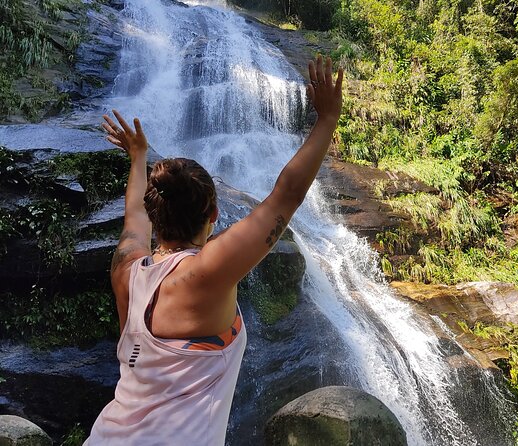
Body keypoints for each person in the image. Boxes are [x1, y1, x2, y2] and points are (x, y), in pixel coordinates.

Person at [84, 56, 343, 445]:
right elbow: (284, 195)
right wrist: (326, 120)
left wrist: (138, 157)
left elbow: (133, 218)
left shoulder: (127, 269)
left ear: (156, 217)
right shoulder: (204, 274)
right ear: (215, 216)